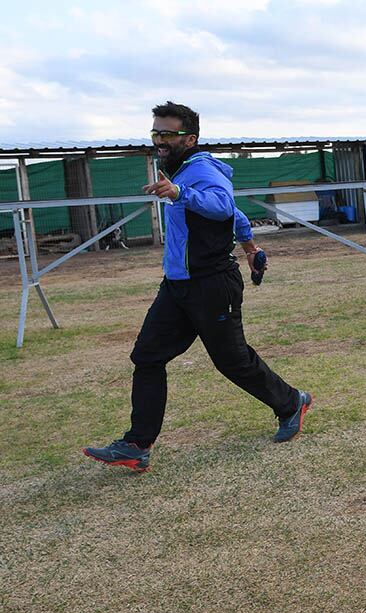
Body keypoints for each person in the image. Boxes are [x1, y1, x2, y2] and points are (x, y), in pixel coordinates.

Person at [84, 102, 311, 472]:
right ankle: (136, 444)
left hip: (211, 284)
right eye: (155, 132)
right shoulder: (178, 171)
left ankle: (291, 403)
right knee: (147, 356)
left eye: (167, 134)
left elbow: (222, 206)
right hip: (177, 286)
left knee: (232, 362)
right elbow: (236, 216)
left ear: (190, 138)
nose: (159, 139)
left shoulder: (200, 170)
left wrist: (179, 194)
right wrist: (251, 248)